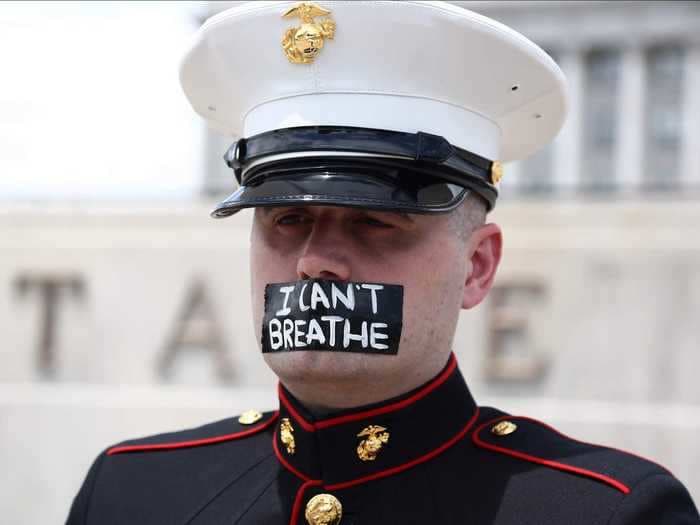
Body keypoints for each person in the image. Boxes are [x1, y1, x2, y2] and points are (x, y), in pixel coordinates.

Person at [67, 2, 699, 524]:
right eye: (287, 220)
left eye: (374, 222)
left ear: (477, 266)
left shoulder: (606, 514)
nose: (316, 261)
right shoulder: (131, 493)